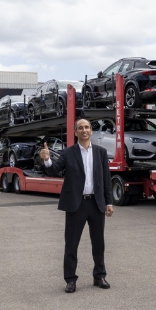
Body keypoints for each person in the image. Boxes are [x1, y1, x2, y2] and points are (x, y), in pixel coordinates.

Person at [40, 119, 114, 293]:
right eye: (80, 128)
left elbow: (106, 181)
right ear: (75, 132)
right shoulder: (68, 153)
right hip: (76, 204)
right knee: (71, 244)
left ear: (91, 131)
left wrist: (109, 202)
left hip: (96, 204)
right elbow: (54, 170)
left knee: (98, 243)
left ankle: (99, 276)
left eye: (87, 127)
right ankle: (70, 279)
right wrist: (47, 159)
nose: (84, 130)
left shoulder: (101, 153)